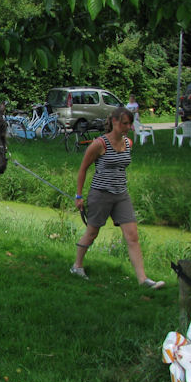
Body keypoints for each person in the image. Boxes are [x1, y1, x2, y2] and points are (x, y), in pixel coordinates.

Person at [71, 106, 164, 289]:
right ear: (114, 122)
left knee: (132, 236)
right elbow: (83, 169)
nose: (128, 127)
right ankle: (77, 266)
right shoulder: (99, 144)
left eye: (130, 124)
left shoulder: (128, 143)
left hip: (121, 195)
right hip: (100, 194)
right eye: (124, 123)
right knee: (92, 233)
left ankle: (143, 279)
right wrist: (79, 196)